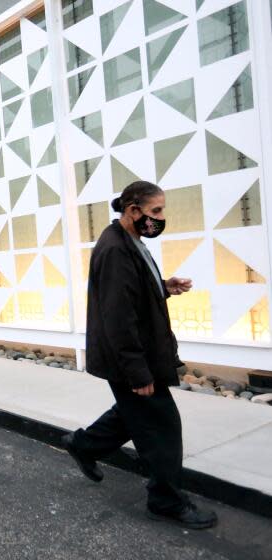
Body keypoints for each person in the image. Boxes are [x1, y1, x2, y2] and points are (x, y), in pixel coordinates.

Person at [62, 180, 218, 530]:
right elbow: (118, 318)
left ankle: (84, 445)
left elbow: (131, 294)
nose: (160, 218)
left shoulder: (130, 240)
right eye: (156, 211)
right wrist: (139, 373)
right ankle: (165, 501)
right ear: (133, 211)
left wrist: (163, 288)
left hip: (135, 357)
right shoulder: (116, 249)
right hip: (130, 360)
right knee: (162, 427)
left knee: (134, 414)